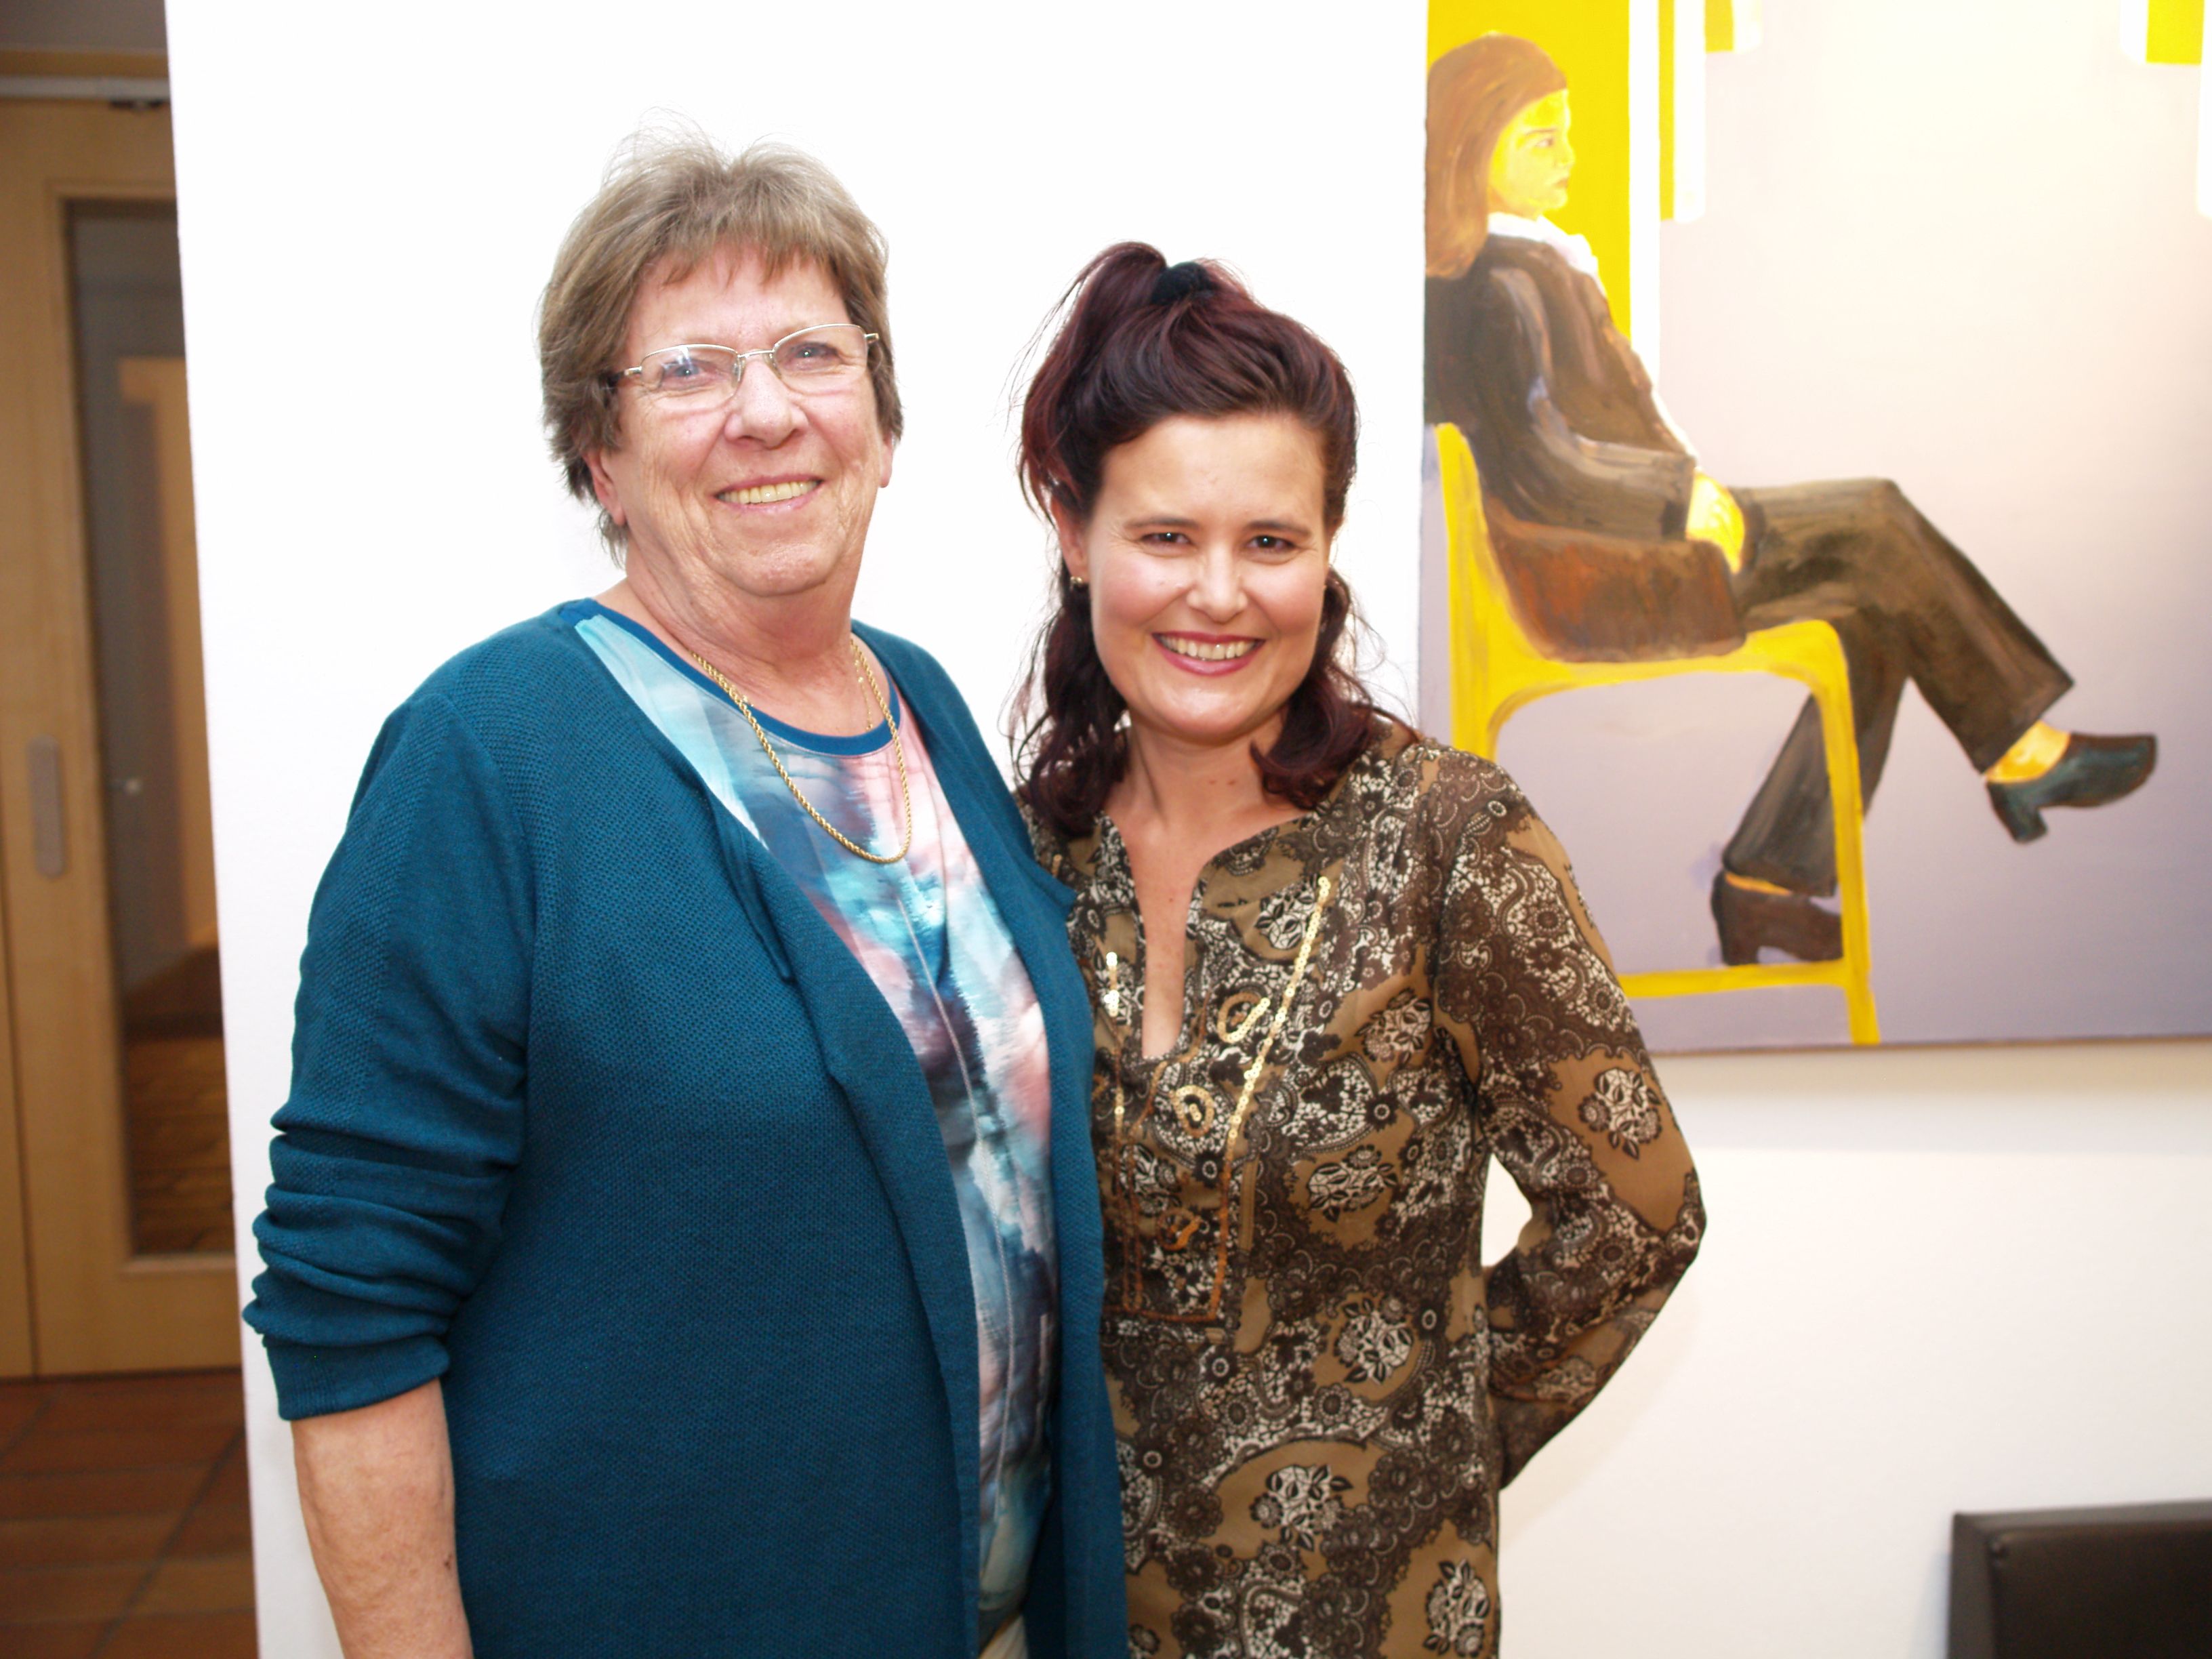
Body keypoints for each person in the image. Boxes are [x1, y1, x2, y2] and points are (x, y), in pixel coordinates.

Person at [243, 132, 1124, 1659]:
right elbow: (350, 1304)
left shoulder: (919, 705)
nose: (765, 411)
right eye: (689, 371)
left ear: (883, 422)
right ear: (601, 458)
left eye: (811, 354)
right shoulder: (490, 756)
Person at [1013, 243, 1703, 1659]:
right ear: (1076, 535)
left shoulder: (1448, 841)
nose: (1219, 594)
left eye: (1271, 542)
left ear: (1328, 550)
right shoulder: (1024, 853)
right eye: (1166, 537)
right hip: (1080, 1622)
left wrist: (1418, 1458)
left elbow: (1636, 1216)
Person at [1425, 34, 2156, 965]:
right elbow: (1539, 461)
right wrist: (1679, 500)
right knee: (1878, 522)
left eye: (1567, 133)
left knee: (1877, 610)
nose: (1569, 155)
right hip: (1606, 578)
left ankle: (1765, 884)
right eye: (1541, 139)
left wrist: (1681, 498)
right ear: (1470, 152)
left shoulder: (1521, 263)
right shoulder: (1492, 283)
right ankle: (2020, 755)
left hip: (1629, 552)